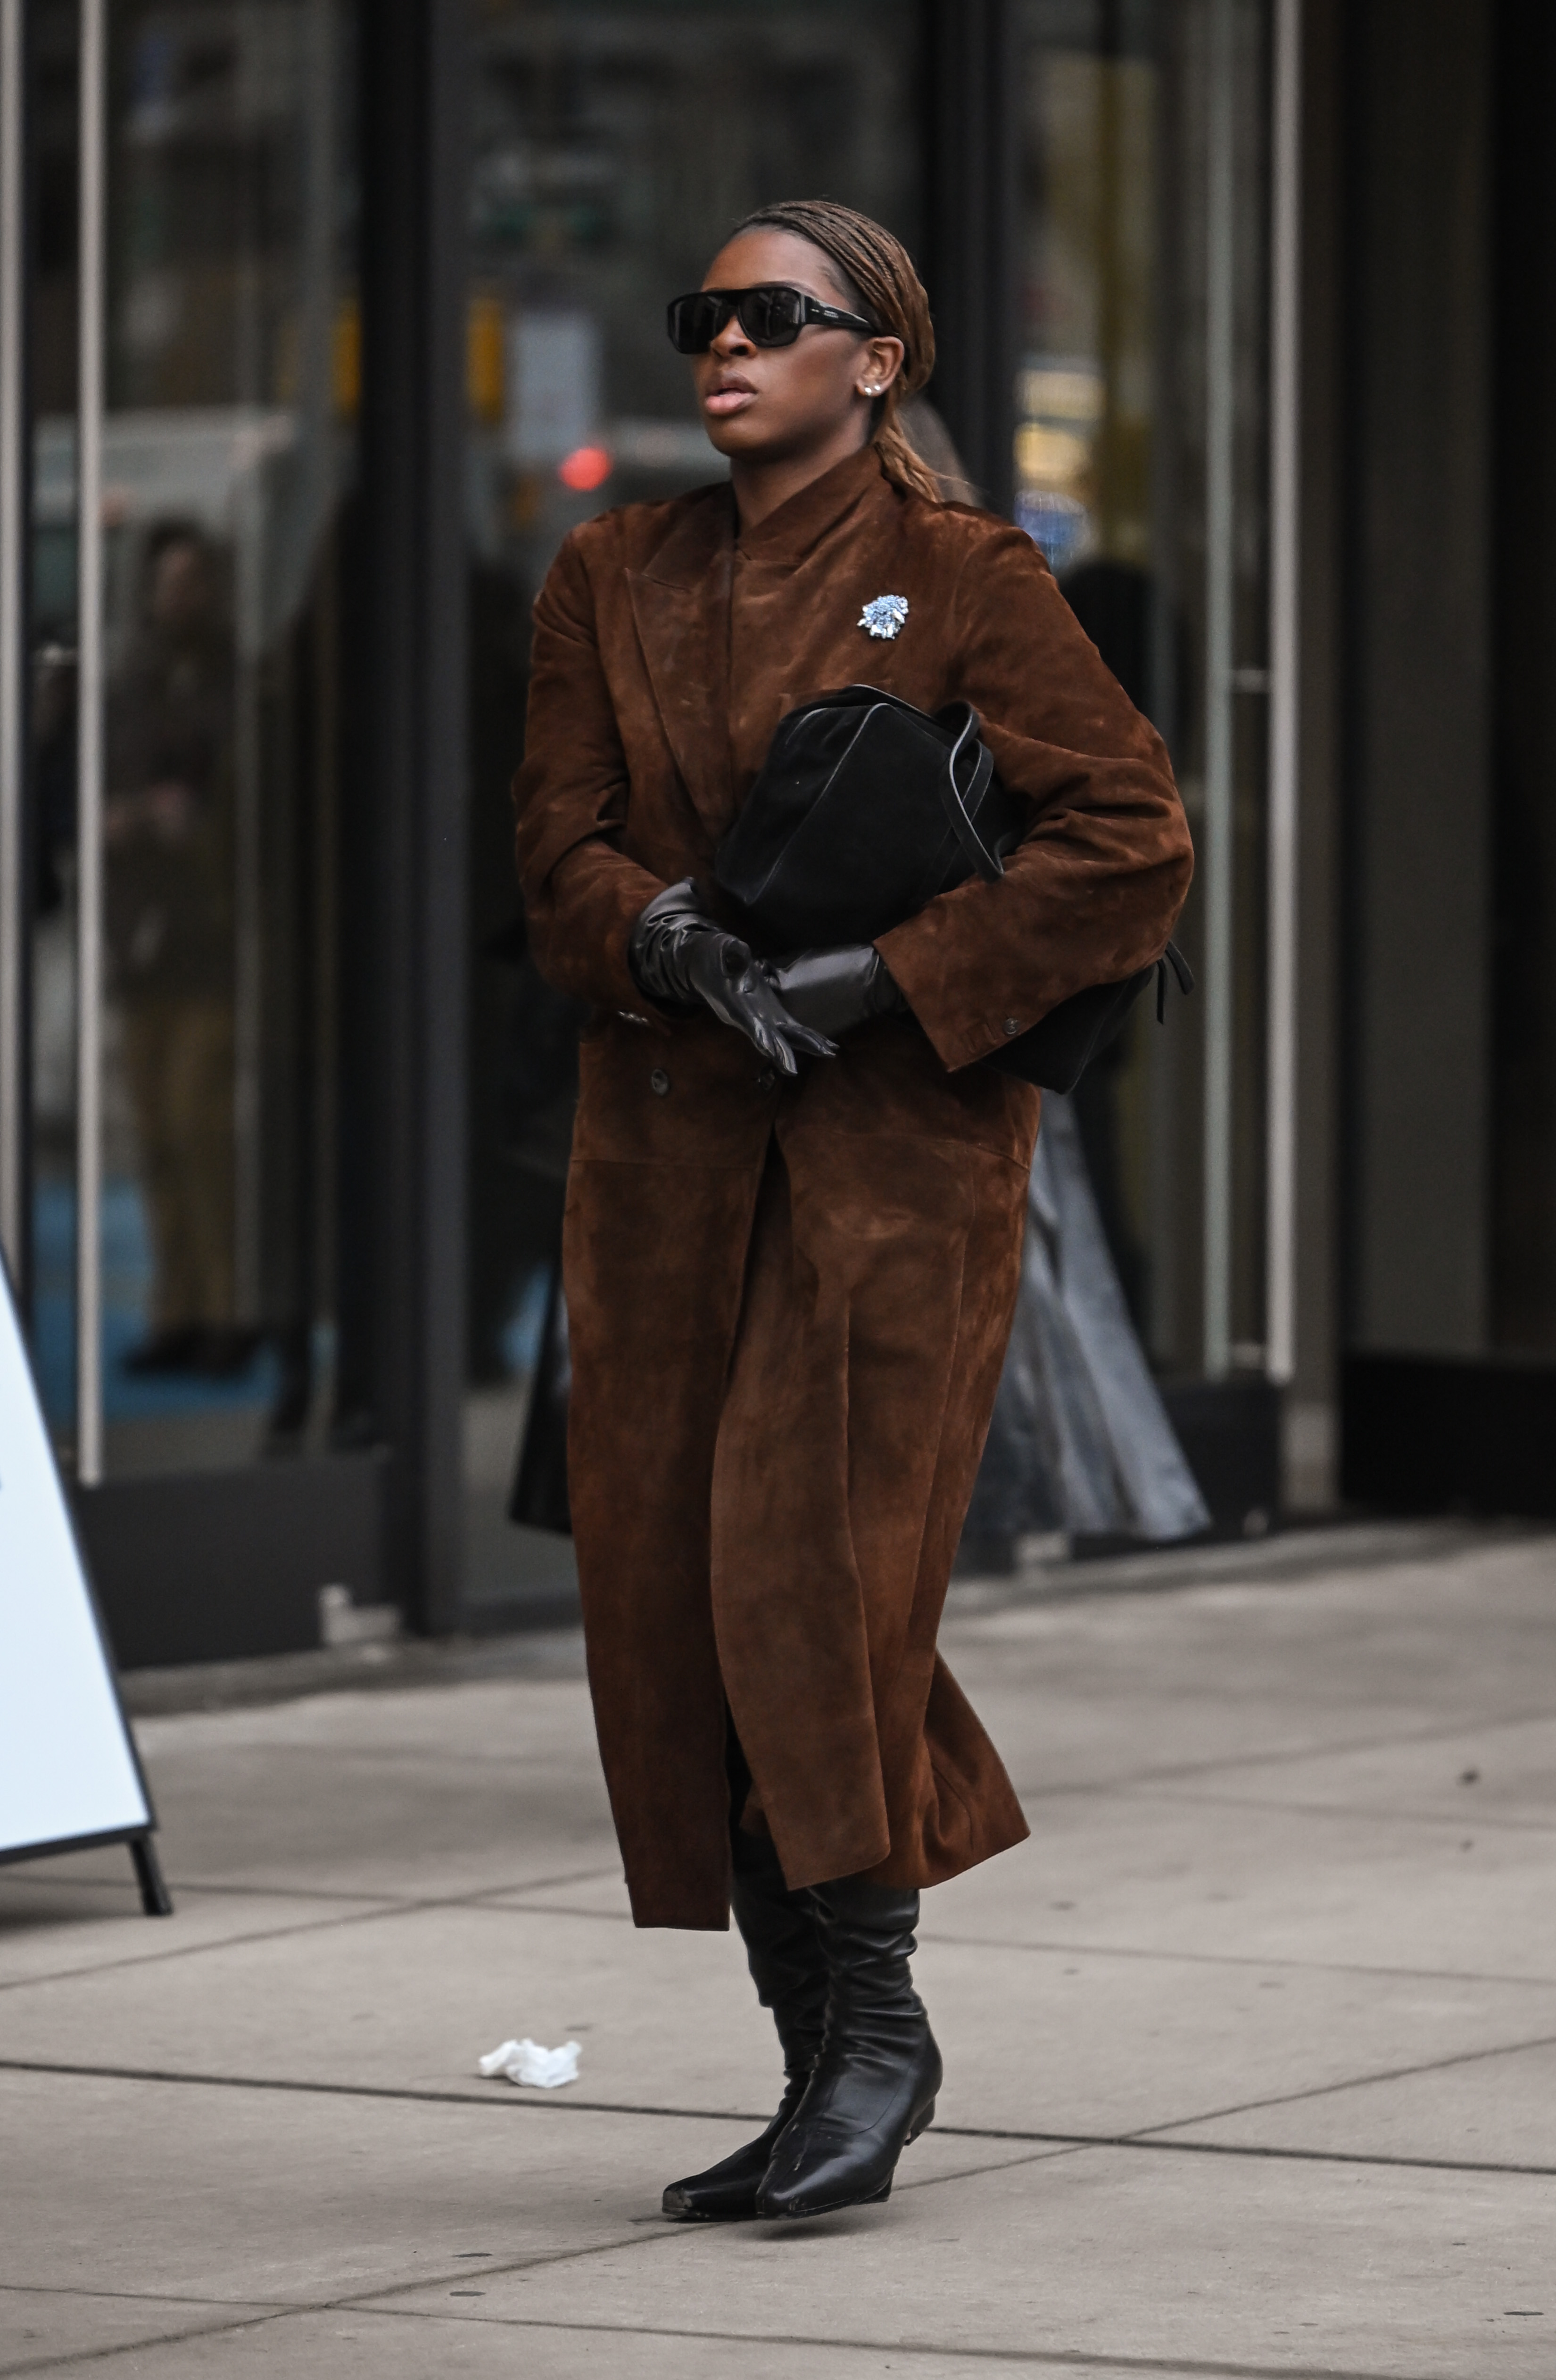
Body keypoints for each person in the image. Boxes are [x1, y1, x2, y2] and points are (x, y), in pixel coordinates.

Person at [512, 198, 1193, 2223]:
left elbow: (1132, 841)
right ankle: (817, 2056)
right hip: (660, 1159)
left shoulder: (963, 573)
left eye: (770, 318)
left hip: (892, 1172)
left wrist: (881, 976)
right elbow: (554, 845)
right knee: (669, 1604)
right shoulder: (606, 571)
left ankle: (876, 2031)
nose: (723, 345)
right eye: (701, 316)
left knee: (807, 1574)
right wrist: (665, 936)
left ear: (875, 358)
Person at [105, 522, 242, 1376]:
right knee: (155, 1132)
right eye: (165, 581)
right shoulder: (135, 682)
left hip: (207, 935)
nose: (174, 596)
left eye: (189, 580)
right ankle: (179, 1306)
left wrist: (184, 822)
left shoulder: (231, 684)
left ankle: (225, 1309)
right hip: (142, 931)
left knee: (201, 1127)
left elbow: (237, 800)